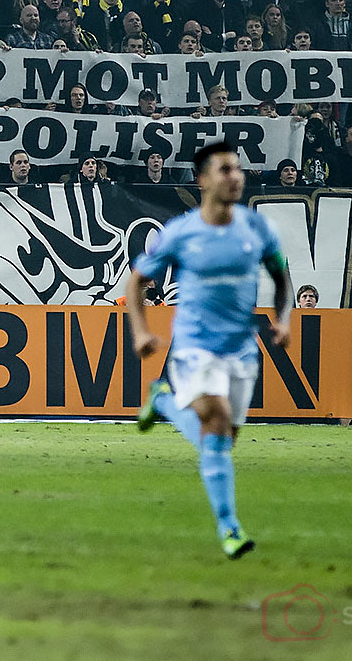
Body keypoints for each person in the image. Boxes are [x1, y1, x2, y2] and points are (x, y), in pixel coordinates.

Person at [123, 141, 292, 560]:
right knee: (214, 418)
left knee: (223, 439)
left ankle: (163, 401)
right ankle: (229, 528)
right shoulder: (180, 233)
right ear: (203, 180)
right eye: (224, 169)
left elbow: (282, 276)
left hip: (241, 349)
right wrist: (141, 331)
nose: (235, 177)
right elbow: (136, 283)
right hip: (195, 345)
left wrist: (285, 319)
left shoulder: (256, 228)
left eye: (238, 169)